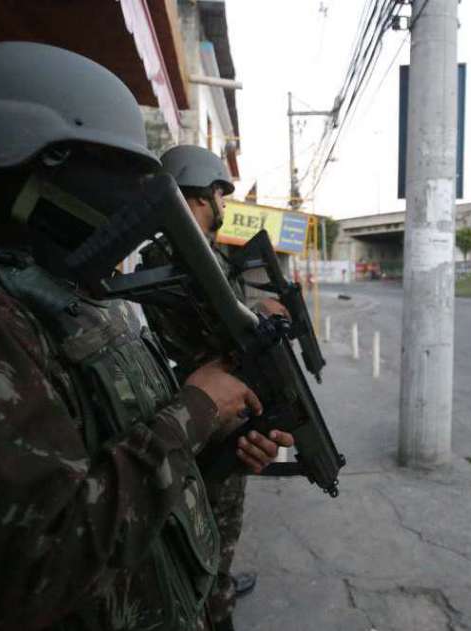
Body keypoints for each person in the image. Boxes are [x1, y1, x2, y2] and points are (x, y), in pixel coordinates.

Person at [0, 42, 289, 630]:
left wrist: (218, 443)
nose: (134, 194)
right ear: (46, 164)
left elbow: (121, 468)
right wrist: (195, 408)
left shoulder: (78, 296)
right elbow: (33, 574)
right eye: (118, 170)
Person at [145, 144, 288, 631]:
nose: (223, 207)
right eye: (219, 195)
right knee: (212, 519)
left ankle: (218, 579)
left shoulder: (177, 256)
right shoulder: (181, 259)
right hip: (199, 418)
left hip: (198, 415)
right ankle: (216, 599)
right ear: (205, 195)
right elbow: (215, 334)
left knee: (213, 519)